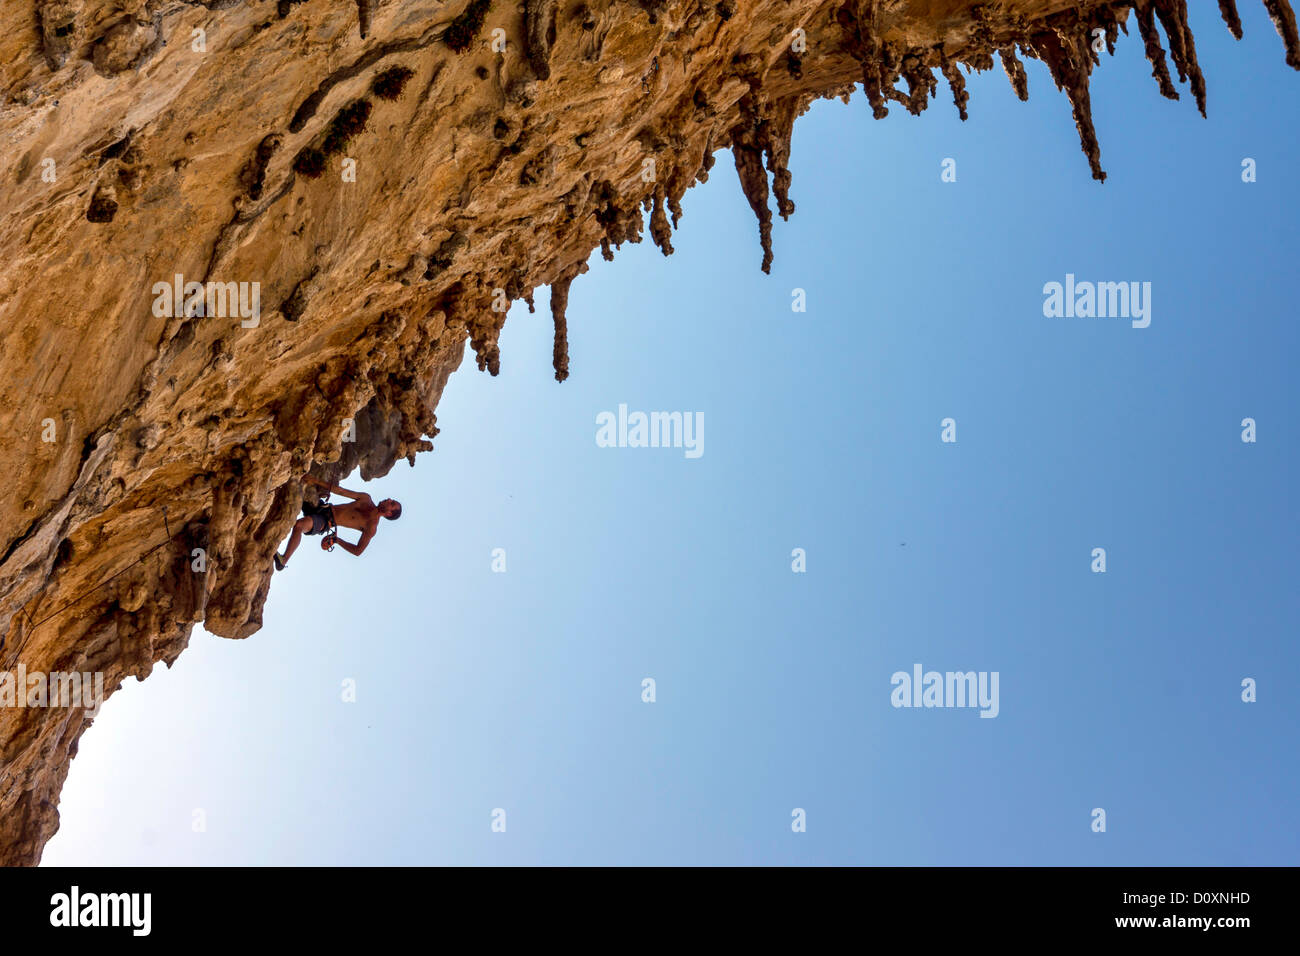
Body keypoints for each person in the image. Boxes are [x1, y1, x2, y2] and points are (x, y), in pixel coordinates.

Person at [273, 474, 401, 570]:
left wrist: (336, 540)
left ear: (389, 514)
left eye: (392, 503)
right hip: (322, 507)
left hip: (325, 521)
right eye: (392, 500)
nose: (389, 499)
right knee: (293, 487)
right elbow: (340, 491)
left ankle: (283, 561)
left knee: (299, 525)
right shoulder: (365, 499)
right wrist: (315, 481)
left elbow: (358, 551)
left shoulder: (371, 527)